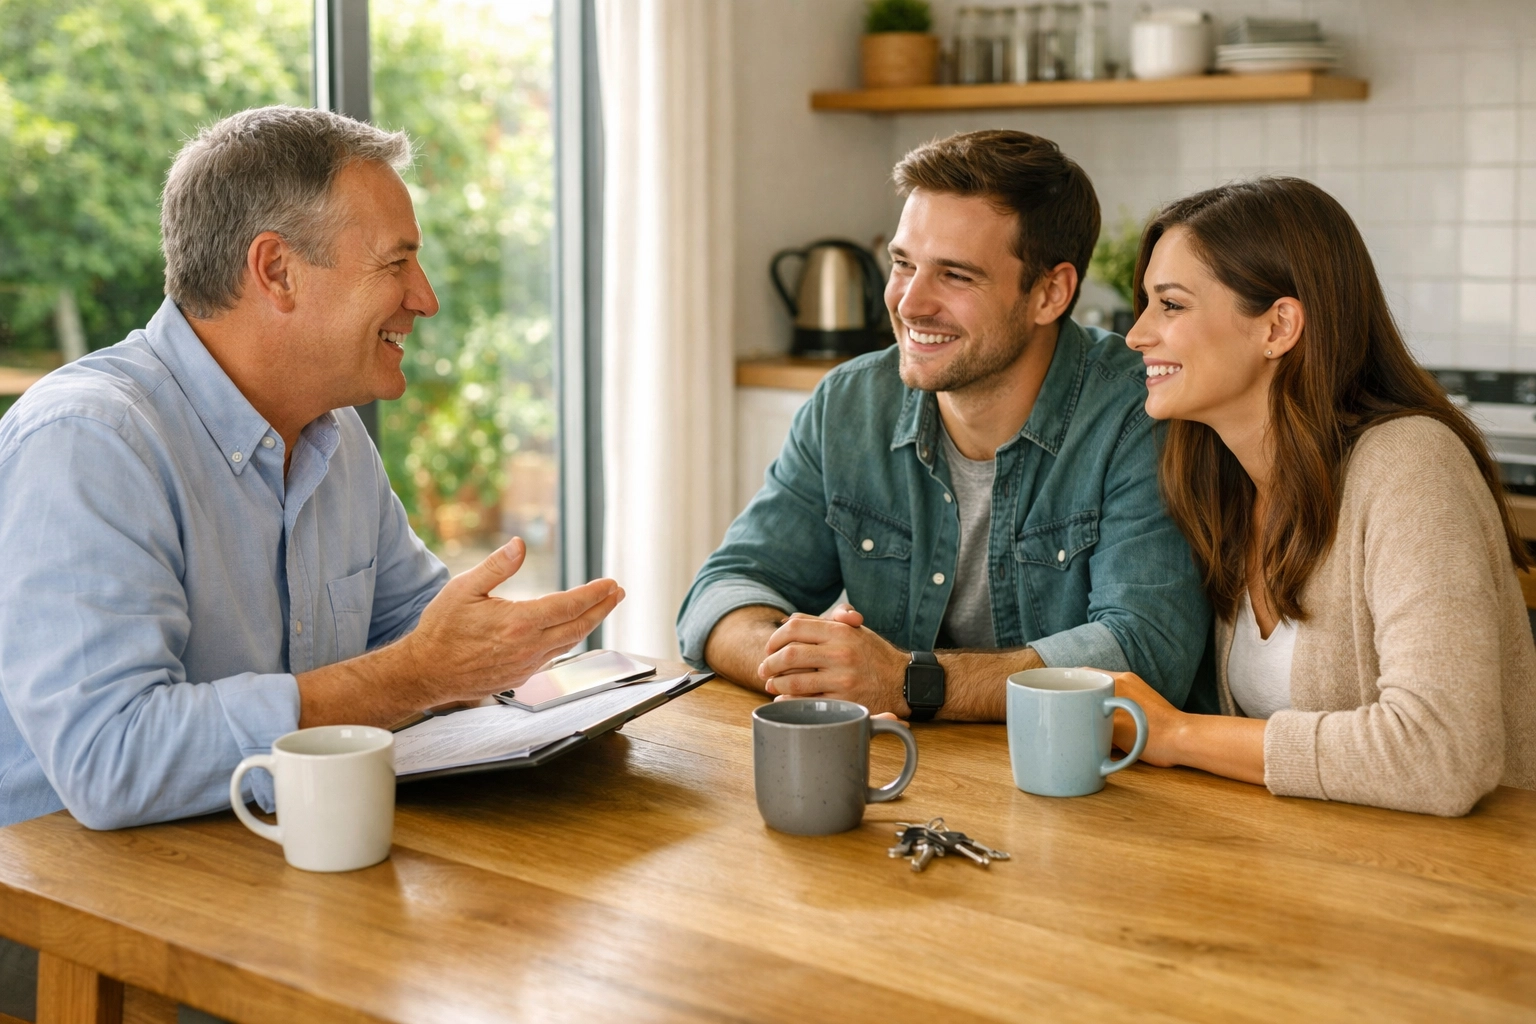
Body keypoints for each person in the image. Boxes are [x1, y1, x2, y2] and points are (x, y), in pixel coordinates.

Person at [0, 106, 624, 832]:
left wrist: (505, 656)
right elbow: (114, 761)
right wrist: (421, 674)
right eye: (396, 262)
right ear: (277, 271)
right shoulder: (90, 442)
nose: (425, 298)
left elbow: (416, 637)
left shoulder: (333, 436)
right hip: (64, 919)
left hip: (268, 863)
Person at [677, 130, 1211, 721]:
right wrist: (802, 664)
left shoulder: (1141, 413)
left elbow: (1144, 651)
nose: (909, 303)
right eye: (903, 264)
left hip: (1090, 787)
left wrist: (909, 683)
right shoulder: (850, 403)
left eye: (955, 275)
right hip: (905, 773)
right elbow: (722, 593)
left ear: (1050, 293)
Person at [1109, 176, 1536, 816]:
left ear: (1279, 326)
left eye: (1170, 305)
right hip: (1312, 876)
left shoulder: (1410, 464)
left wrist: (1174, 734)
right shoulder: (1222, 484)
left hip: (1454, 892)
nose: (1137, 335)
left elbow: (1444, 752)